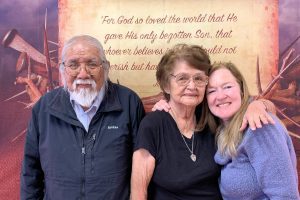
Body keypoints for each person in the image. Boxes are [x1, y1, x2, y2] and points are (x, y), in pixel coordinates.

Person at [130, 44, 274, 200]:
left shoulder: (212, 117)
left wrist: (258, 105)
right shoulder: (152, 125)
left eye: (198, 78)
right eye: (182, 78)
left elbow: (260, 106)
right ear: (166, 85)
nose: (192, 86)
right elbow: (138, 193)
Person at [20, 35, 145, 200]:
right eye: (73, 65)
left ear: (106, 67)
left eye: (92, 64)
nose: (83, 73)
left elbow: (142, 166)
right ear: (63, 69)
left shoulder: (129, 102)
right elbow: (30, 171)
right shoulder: (44, 107)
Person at [202, 62, 299, 199]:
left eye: (227, 87)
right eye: (211, 91)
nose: (221, 96)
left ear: (241, 89)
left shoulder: (260, 125)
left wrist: (260, 104)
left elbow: (285, 196)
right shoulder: (222, 129)